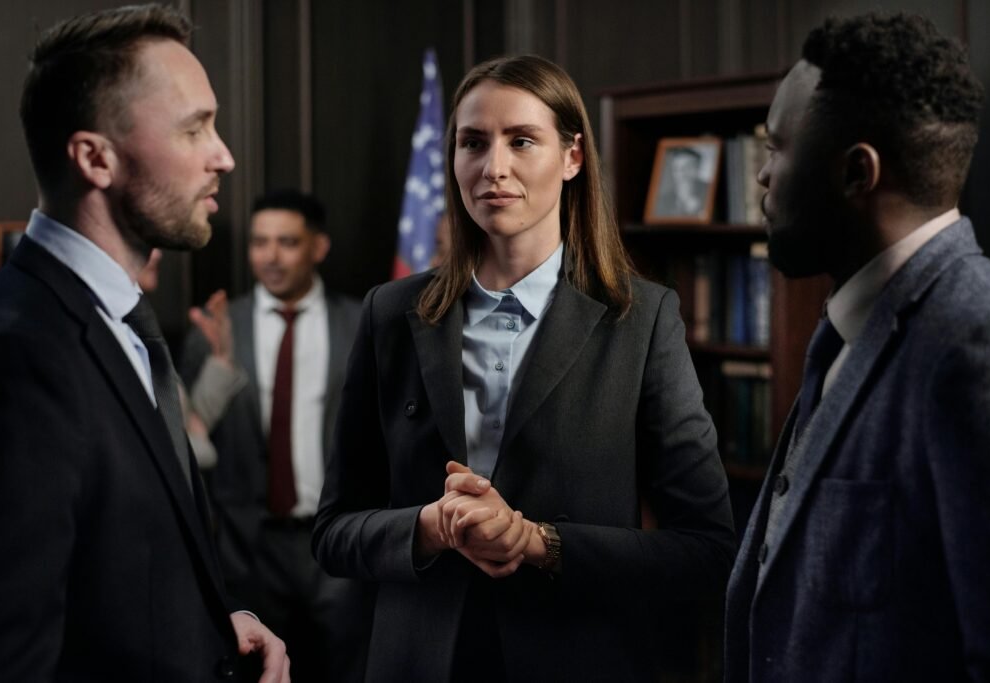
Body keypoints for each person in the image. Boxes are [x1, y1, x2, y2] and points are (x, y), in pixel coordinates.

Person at [312, 54, 736, 682]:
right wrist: (430, 527)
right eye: (473, 143)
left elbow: (707, 550)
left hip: (580, 658)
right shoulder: (391, 313)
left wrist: (537, 542)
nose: (494, 168)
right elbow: (334, 534)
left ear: (572, 157)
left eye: (522, 140)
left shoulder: (641, 319)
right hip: (419, 663)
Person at [0, 5, 289, 681]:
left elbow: (116, 568)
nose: (225, 155)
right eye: (195, 129)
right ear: (95, 157)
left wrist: (212, 624)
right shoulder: (20, 354)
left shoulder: (119, 321)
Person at [724, 12, 990, 682]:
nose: (763, 178)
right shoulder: (842, 332)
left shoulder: (985, 343)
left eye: (776, 149)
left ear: (858, 172)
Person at [181, 189, 367, 682]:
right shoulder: (215, 330)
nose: (271, 256)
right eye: (260, 242)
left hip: (336, 547)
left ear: (318, 247)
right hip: (247, 550)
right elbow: (189, 438)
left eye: (287, 241)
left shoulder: (362, 325)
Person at [138, 248, 247, 470]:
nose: (157, 254)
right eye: (136, 235)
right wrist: (197, 440)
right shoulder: (100, 326)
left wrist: (221, 355)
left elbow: (184, 423)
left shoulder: (138, 320)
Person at [655, 146, 710, 218]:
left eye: (687, 167)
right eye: (676, 169)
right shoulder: (663, 200)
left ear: (698, 168)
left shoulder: (709, 191)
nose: (681, 173)